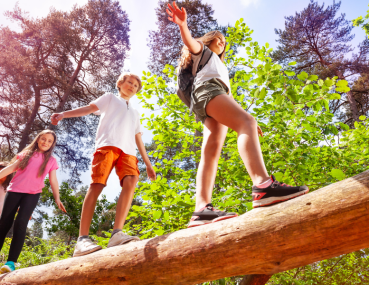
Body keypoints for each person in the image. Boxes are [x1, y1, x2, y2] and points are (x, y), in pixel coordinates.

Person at [166, 2, 309, 228]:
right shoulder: (202, 53)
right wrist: (183, 25)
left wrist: (245, 120)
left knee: (211, 152)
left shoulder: (219, 66)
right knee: (245, 124)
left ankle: (201, 209)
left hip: (210, 98)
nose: (222, 43)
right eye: (218, 39)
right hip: (208, 92)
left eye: (224, 42)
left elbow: (227, 97)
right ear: (208, 41)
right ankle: (262, 186)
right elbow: (190, 43)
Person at [51, 72, 156, 257]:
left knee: (131, 181)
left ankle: (117, 234)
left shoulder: (135, 112)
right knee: (97, 185)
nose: (132, 86)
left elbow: (138, 138)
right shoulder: (110, 98)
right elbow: (90, 108)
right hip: (108, 145)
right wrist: (63, 115)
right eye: (129, 82)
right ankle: (82, 240)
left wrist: (148, 164)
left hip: (128, 151)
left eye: (136, 86)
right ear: (120, 83)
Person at [0, 130, 66, 273]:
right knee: (4, 223)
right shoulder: (26, 154)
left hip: (32, 195)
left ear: (52, 144)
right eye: (43, 139)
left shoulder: (51, 161)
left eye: (49, 141)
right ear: (38, 139)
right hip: (14, 191)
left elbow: (53, 180)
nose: (46, 142)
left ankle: (10, 263)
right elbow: (11, 168)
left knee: (21, 224)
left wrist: (57, 197)